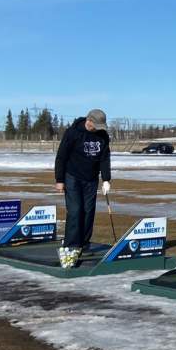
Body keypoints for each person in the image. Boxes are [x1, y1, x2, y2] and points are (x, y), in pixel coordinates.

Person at [54, 109, 112, 268]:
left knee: (88, 210)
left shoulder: (102, 136)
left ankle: (83, 244)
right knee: (75, 210)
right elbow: (61, 156)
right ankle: (71, 246)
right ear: (89, 121)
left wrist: (106, 179)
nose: (99, 128)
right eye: (97, 125)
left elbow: (104, 158)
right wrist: (59, 180)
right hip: (72, 176)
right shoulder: (73, 133)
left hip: (91, 179)